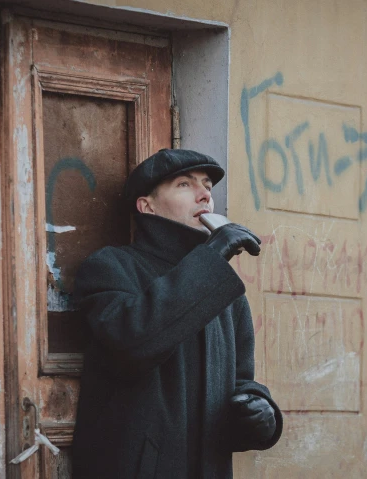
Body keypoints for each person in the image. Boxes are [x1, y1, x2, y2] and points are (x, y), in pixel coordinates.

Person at [71, 149, 283, 478]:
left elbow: (240, 379)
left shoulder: (225, 289)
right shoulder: (111, 266)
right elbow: (131, 343)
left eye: (208, 186)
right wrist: (213, 254)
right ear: (147, 206)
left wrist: (259, 412)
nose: (204, 195)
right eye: (184, 185)